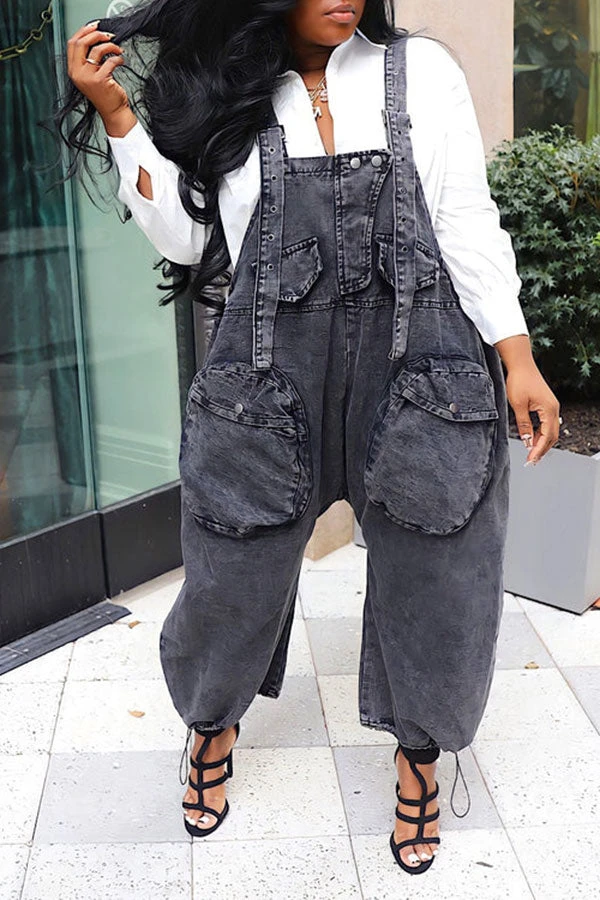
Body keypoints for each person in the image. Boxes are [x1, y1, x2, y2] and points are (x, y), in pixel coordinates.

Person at [63, 0, 560, 876]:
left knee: (438, 570)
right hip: (266, 378)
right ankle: (211, 726)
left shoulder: (421, 73)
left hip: (419, 368)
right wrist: (117, 114)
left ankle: (419, 759)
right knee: (231, 568)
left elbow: (464, 217)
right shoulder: (230, 90)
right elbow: (189, 239)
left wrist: (516, 355)